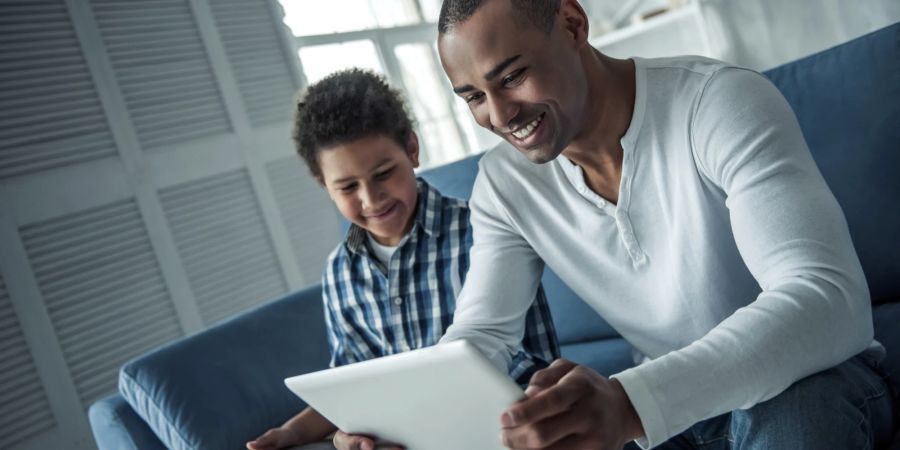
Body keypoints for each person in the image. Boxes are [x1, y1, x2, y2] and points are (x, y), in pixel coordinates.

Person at [434, 0, 895, 449]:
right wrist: (401, 424)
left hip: (808, 383)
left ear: (573, 24)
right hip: (669, 422)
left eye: (512, 76)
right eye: (473, 96)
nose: (498, 115)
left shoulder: (716, 101)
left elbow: (825, 297)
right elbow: (482, 335)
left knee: (793, 408)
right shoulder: (502, 184)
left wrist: (629, 401)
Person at [245, 68, 559, 450]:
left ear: (412, 149)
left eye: (383, 174)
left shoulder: (485, 230)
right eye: (347, 187)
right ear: (323, 185)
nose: (371, 199)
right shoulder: (340, 275)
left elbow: (538, 365)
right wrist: (309, 433)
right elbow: (352, 384)